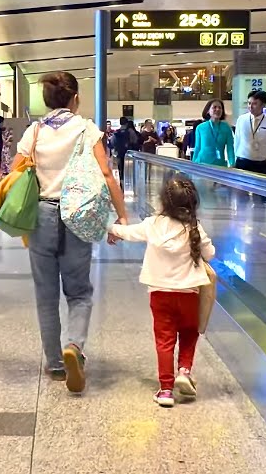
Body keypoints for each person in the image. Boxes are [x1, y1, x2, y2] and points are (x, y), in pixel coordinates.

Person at [12, 72, 128, 393]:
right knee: (79, 292)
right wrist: (120, 216)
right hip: (78, 214)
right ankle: (74, 346)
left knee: (45, 294)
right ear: (75, 98)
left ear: (47, 101)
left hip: (42, 215)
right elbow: (106, 174)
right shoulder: (86, 128)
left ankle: (55, 362)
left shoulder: (34, 132)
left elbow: (15, 172)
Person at [107, 174, 215, 408]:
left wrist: (111, 228)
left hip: (160, 294)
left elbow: (129, 233)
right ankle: (184, 371)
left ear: (163, 202)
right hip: (189, 293)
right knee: (189, 333)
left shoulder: (153, 224)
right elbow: (210, 254)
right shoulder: (194, 227)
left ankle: (165, 390)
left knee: (164, 340)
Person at [191, 99, 234, 168]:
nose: (217, 109)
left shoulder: (226, 128)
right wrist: (193, 165)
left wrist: (232, 164)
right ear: (208, 110)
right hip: (201, 165)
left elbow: (230, 148)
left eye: (220, 108)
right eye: (214, 107)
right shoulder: (200, 128)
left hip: (219, 166)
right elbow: (197, 148)